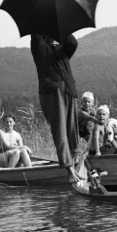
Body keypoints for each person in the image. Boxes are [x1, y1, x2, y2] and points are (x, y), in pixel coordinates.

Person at [30, 34, 79, 174]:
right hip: (52, 91)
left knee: (72, 129)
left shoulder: (61, 50)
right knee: (60, 130)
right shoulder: (40, 48)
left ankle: (74, 159)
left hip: (69, 89)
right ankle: (68, 168)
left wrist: (62, 30)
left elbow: (73, 43)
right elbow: (36, 35)